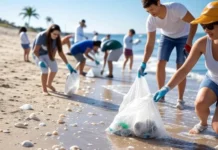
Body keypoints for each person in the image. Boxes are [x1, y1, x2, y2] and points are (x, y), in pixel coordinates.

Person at [153, 1, 218, 134]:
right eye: (204, 26)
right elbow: (184, 69)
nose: (206, 30)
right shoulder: (202, 43)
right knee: (200, 105)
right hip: (213, 80)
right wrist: (166, 88)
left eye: (210, 26)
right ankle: (203, 123)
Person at [138, 0, 198, 110]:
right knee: (160, 63)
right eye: (148, 11)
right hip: (166, 37)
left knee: (180, 66)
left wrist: (189, 42)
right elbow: (150, 43)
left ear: (158, 2)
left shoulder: (176, 8)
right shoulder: (151, 20)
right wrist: (143, 63)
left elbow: (194, 22)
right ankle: (161, 95)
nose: (151, 13)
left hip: (184, 37)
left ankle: (180, 99)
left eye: (152, 9)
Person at [32, 24, 76, 95]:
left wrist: (67, 64)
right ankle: (44, 89)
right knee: (45, 70)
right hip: (38, 54)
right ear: (50, 32)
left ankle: (48, 84)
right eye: (54, 34)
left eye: (57, 34)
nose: (56, 36)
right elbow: (35, 51)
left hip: (47, 54)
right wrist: (40, 60)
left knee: (54, 69)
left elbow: (60, 52)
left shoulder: (57, 38)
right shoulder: (41, 36)